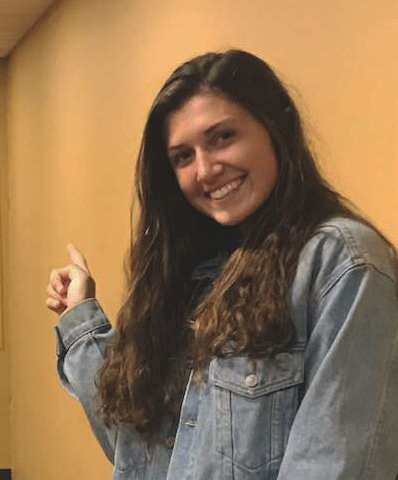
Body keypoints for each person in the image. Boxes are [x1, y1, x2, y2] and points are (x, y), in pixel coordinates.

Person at [46, 49, 398, 480]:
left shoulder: (342, 264)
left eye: (222, 137)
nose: (206, 169)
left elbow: (336, 465)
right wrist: (81, 323)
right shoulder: (196, 275)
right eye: (183, 157)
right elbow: (136, 450)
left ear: (275, 128)